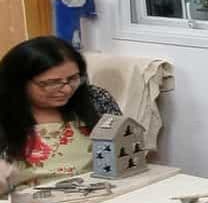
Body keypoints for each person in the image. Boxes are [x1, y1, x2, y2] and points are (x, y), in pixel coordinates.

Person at [0, 36, 122, 190]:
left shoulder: (96, 100)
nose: (66, 89)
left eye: (73, 78)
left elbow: (124, 149)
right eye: (51, 83)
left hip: (100, 193)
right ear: (19, 82)